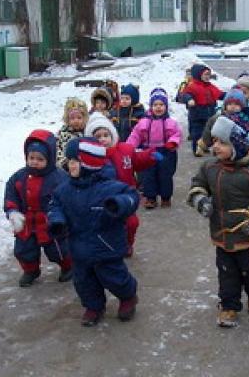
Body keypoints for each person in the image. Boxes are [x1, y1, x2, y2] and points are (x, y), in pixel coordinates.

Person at [188, 115, 249, 327]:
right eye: (214, 141)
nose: (216, 147)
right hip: (223, 235)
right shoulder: (210, 167)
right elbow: (197, 184)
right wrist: (200, 199)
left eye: (222, 142)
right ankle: (229, 306)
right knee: (227, 275)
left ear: (238, 145)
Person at [48, 137, 139, 326]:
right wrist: (57, 220)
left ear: (88, 164)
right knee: (83, 283)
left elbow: (131, 196)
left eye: (73, 161)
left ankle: (128, 296)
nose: (68, 165)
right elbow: (55, 205)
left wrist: (119, 204)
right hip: (78, 248)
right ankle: (94, 306)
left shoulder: (109, 187)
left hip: (106, 246)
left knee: (114, 278)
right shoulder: (64, 190)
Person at [85, 112, 161, 256]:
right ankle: (109, 247)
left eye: (105, 135)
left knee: (131, 224)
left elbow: (137, 160)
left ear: (112, 135)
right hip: (103, 200)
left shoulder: (125, 150)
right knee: (108, 226)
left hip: (125, 196)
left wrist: (150, 155)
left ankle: (127, 244)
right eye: (98, 136)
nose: (102, 139)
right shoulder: (91, 157)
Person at [4, 129, 73, 287]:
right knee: (24, 249)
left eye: (40, 159)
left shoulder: (59, 178)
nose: (34, 162)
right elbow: (11, 194)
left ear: (49, 159)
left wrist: (65, 217)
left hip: (50, 221)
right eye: (31, 158)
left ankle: (68, 266)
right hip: (26, 221)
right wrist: (13, 211)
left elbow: (68, 197)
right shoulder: (19, 177)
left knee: (58, 248)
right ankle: (31, 270)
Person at [127, 88, 183, 209]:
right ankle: (151, 197)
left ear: (166, 106)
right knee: (148, 175)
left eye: (161, 105)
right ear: (151, 106)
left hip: (166, 151)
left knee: (165, 175)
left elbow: (177, 134)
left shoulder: (170, 122)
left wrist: (172, 142)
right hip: (149, 151)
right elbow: (136, 135)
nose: (158, 107)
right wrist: (129, 147)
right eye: (155, 105)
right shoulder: (144, 122)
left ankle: (165, 197)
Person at [177, 64, 225, 155]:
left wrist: (229, 95)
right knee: (197, 133)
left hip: (210, 113)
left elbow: (219, 94)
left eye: (208, 75)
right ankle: (197, 149)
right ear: (198, 75)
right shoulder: (192, 86)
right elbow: (185, 94)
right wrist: (189, 99)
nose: (208, 77)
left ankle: (205, 146)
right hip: (197, 114)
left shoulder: (210, 86)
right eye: (205, 75)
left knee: (210, 132)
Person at [196, 88, 249, 156]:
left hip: (240, 146)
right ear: (225, 106)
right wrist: (204, 143)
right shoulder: (219, 118)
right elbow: (209, 131)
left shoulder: (246, 118)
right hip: (220, 146)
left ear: (242, 106)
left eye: (236, 104)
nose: (233, 106)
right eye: (230, 104)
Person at [56, 97, 88, 170]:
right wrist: (65, 164)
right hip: (69, 167)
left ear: (84, 118)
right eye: (72, 118)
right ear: (67, 119)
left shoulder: (88, 132)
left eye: (79, 118)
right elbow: (59, 152)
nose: (76, 121)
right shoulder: (63, 134)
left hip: (86, 166)